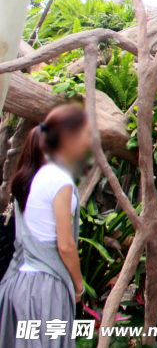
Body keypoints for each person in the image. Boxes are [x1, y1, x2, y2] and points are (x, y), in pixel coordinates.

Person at [0, 105, 91, 347]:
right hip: (46, 288)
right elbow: (65, 245)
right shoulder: (59, 180)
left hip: (21, 283)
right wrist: (79, 288)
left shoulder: (30, 179)